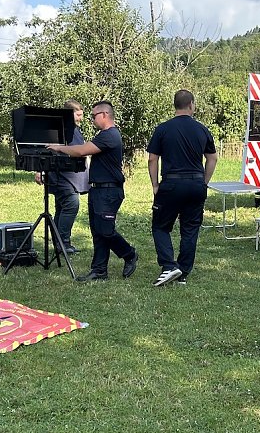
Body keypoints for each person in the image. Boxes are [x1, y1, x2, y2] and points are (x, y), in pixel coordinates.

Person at [47, 101, 137, 281]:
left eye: (94, 116)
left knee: (105, 230)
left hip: (109, 190)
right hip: (97, 189)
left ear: (104, 115)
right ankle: (99, 270)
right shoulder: (103, 135)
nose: (91, 119)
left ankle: (129, 254)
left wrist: (58, 148)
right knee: (97, 231)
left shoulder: (110, 135)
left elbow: (81, 151)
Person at [147, 89, 218, 286]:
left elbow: (153, 159)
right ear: (191, 105)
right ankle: (183, 273)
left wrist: (155, 184)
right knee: (190, 229)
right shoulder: (202, 129)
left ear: (175, 105)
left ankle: (169, 266)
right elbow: (212, 158)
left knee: (160, 226)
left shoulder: (163, 129)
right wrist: (204, 181)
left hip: (171, 184)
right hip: (196, 184)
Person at [34, 100, 88, 254]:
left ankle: (59, 242)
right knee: (71, 205)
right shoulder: (62, 129)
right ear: (69, 114)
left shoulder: (73, 129)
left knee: (61, 208)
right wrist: (39, 170)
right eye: (78, 115)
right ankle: (63, 242)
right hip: (61, 176)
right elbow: (45, 149)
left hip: (67, 175)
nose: (80, 118)